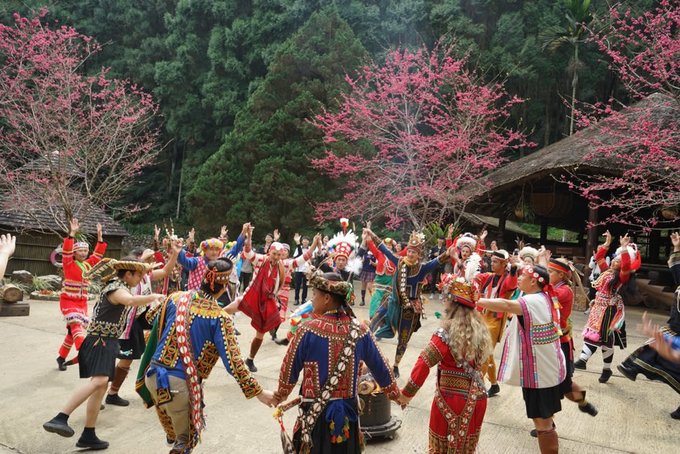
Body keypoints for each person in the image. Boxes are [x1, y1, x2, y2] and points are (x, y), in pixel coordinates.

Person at [136, 258, 276, 453]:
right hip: (180, 385)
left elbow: (151, 319)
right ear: (224, 286)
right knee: (184, 442)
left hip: (153, 377)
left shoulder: (176, 298)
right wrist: (259, 392)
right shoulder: (220, 318)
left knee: (175, 432)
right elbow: (233, 363)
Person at [43, 258, 165, 450]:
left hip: (108, 341)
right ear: (128, 274)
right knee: (99, 382)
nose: (141, 279)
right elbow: (131, 301)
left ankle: (88, 434)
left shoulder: (120, 285)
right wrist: (154, 297)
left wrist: (148, 271)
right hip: (100, 340)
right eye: (138, 275)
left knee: (100, 389)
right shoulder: (116, 289)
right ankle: (61, 417)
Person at [275, 271, 400, 454]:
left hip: (314, 415)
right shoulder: (361, 330)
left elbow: (288, 371)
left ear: (326, 298)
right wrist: (396, 394)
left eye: (314, 296)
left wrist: (281, 394)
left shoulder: (307, 330)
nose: (312, 301)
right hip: (348, 415)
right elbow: (382, 368)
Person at [398, 270, 492, 454]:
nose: (444, 302)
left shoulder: (446, 332)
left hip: (451, 399)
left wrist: (407, 394)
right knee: (465, 449)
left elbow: (424, 362)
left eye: (446, 298)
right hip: (477, 397)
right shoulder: (480, 329)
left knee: (441, 448)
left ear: (451, 302)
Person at [477, 265, 566, 454]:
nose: (518, 278)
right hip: (546, 370)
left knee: (543, 423)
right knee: (544, 419)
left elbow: (507, 305)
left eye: (522, 276)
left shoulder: (533, 300)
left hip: (540, 374)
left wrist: (476, 299)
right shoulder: (545, 296)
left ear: (533, 281)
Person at [366, 228, 452, 378]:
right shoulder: (399, 262)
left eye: (414, 252)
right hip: (392, 301)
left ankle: (396, 365)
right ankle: (365, 351)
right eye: (410, 251)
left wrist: (449, 250)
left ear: (419, 254)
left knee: (403, 339)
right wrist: (371, 234)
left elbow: (438, 260)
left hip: (409, 308)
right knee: (373, 322)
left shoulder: (422, 268)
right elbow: (384, 249)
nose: (411, 254)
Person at [104, 241, 181, 407]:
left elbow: (167, 270)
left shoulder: (145, 276)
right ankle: (108, 392)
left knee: (128, 357)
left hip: (138, 320)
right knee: (122, 359)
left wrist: (175, 254)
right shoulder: (125, 281)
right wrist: (153, 296)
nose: (150, 263)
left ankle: (109, 391)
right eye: (146, 260)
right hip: (125, 326)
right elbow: (130, 300)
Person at [618, 231, 680, 419]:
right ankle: (633, 367)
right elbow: (677, 270)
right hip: (676, 328)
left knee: (657, 345)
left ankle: (634, 366)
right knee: (656, 344)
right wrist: (677, 247)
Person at [575, 231, 640, 383]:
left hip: (609, 311)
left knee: (598, 336)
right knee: (604, 340)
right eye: (614, 259)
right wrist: (607, 243)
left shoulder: (622, 277)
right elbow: (598, 258)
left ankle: (582, 360)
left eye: (617, 261)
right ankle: (606, 369)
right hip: (598, 308)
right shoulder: (607, 272)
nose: (614, 262)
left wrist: (624, 248)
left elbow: (625, 266)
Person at [226, 224, 287, 372]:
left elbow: (301, 260)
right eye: (274, 254)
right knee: (225, 310)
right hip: (250, 295)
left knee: (261, 333)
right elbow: (247, 252)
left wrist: (314, 246)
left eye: (279, 255)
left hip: (265, 302)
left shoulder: (282, 266)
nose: (276, 257)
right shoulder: (261, 259)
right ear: (269, 252)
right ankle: (206, 319)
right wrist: (249, 236)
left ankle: (250, 359)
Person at [57, 218, 107, 371]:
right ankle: (85, 351)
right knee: (76, 327)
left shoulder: (88, 264)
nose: (84, 253)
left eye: (86, 251)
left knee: (72, 333)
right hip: (68, 301)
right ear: (74, 252)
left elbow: (97, 255)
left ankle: (61, 357)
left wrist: (100, 237)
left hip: (81, 302)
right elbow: (65, 251)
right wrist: (71, 234)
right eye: (81, 251)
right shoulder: (68, 263)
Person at [474, 249, 517, 397]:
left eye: (495, 262)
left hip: (495, 319)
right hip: (484, 316)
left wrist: (514, 270)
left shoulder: (507, 278)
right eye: (491, 261)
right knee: (487, 351)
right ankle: (494, 384)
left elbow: (511, 285)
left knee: (484, 352)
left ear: (504, 264)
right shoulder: (490, 277)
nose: (491, 264)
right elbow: (476, 277)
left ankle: (477, 386)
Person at [361, 231, 396, 319]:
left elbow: (405, 252)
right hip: (379, 279)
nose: (388, 246)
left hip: (390, 280)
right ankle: (373, 316)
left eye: (390, 245)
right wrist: (369, 239)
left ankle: (386, 316)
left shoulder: (395, 256)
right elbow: (372, 247)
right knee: (376, 296)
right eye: (386, 245)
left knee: (388, 298)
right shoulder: (379, 254)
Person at [293, 235, 311, 306]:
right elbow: (295, 257)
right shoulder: (298, 248)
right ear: (302, 241)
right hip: (299, 269)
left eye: (307, 240)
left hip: (307, 270)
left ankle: (304, 299)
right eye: (304, 240)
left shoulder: (310, 249)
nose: (305, 241)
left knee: (305, 285)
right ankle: (296, 299)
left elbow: (313, 257)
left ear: (309, 242)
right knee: (297, 285)